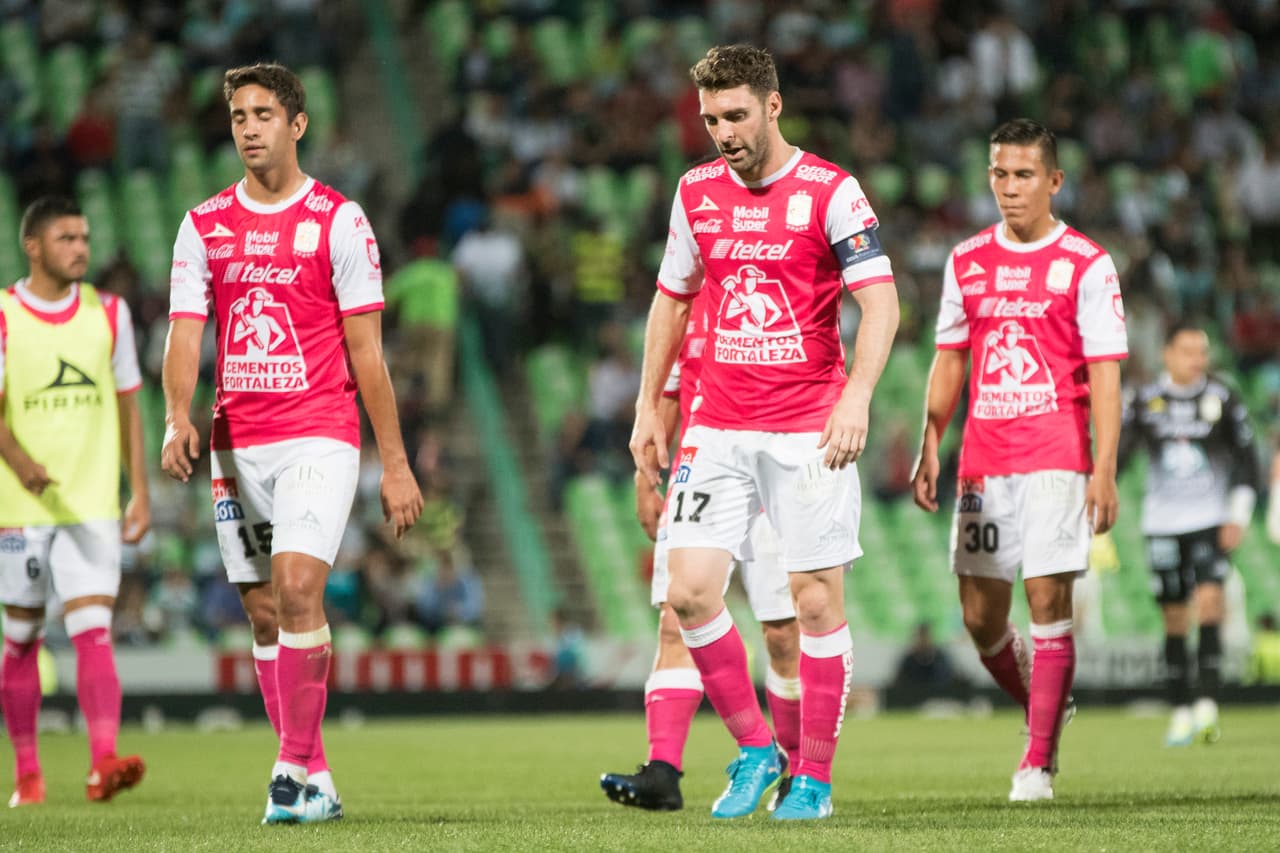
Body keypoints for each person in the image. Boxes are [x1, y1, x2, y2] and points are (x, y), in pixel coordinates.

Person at [629, 44, 900, 821]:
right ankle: (754, 746)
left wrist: (858, 398)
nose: (723, 133)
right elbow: (672, 299)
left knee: (814, 604)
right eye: (711, 119)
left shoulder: (831, 191)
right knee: (687, 593)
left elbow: (881, 303)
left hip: (807, 429)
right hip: (717, 424)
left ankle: (812, 778)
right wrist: (648, 405)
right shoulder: (696, 192)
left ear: (773, 107)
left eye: (737, 115)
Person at [160, 63, 423, 825]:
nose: (249, 128)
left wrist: (395, 462)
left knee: (299, 587)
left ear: (297, 124)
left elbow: (368, 353)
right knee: (265, 614)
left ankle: (285, 771)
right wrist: (177, 416)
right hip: (235, 445)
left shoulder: (339, 220)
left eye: (264, 114)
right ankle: (318, 779)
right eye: (239, 116)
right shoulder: (203, 224)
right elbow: (185, 334)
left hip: (318, 433)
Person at [912, 118, 1128, 802]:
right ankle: (1047, 700)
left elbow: (1106, 374)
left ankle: (1037, 762)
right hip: (983, 459)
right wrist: (930, 440)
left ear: (1054, 180)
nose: (1009, 187)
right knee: (980, 618)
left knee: (1046, 598)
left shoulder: (1088, 263)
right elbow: (950, 357)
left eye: (1024, 175)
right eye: (1000, 174)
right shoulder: (966, 259)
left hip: (1057, 455)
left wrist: (1104, 468)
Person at [601, 286, 801, 812]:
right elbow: (668, 392)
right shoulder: (683, 304)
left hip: (773, 469)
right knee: (677, 619)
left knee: (783, 633)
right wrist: (646, 478)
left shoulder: (780, 288)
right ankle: (663, 770)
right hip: (702, 473)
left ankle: (797, 768)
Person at [0, 196, 150, 806]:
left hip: (92, 503)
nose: (81, 248)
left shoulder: (109, 313)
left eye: (85, 237)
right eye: (66, 238)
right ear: (32, 246)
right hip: (20, 508)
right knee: (20, 638)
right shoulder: (4, 315)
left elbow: (129, 405)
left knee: (94, 629)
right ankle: (28, 774)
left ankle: (102, 762)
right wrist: (19, 463)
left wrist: (139, 491)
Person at [1117, 322, 1259, 745]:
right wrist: (1102, 489)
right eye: (1188, 351)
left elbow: (1247, 459)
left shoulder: (1223, 397)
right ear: (1167, 354)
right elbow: (1120, 454)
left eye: (1202, 351)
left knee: (1211, 603)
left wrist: (1238, 516)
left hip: (1210, 519)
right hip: (1161, 523)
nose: (1197, 359)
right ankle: (1180, 709)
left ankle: (1207, 706)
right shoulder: (1144, 400)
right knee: (1175, 616)